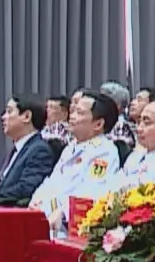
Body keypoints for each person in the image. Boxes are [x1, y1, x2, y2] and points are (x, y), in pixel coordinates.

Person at [31, 92, 124, 229]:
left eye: (79, 113)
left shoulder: (104, 151)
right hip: (46, 218)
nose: (72, 116)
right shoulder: (71, 147)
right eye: (73, 111)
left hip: (70, 225)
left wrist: (63, 213)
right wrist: (36, 201)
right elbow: (51, 181)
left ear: (98, 124)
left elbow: (91, 191)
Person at [0, 94, 57, 207]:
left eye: (9, 111)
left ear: (26, 116)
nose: (3, 117)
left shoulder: (40, 150)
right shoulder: (16, 148)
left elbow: (26, 188)